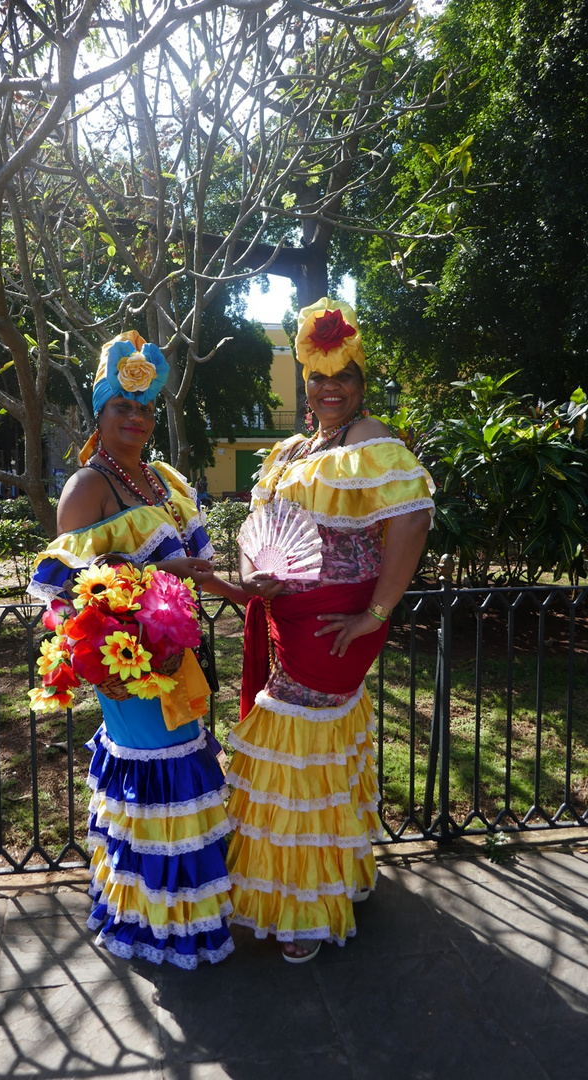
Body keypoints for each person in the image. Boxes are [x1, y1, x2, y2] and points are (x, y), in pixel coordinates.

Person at [226, 298, 434, 963]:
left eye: (343, 374)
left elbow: (413, 520)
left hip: (339, 626)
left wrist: (377, 613)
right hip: (289, 616)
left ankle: (305, 906)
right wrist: (254, 576)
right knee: (309, 752)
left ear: (361, 380)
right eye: (319, 376)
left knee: (293, 751)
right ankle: (330, 875)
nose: (331, 388)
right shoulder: (293, 448)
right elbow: (260, 533)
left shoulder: (374, 441)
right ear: (305, 381)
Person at [29, 329, 245, 969]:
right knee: (157, 778)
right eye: (123, 407)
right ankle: (155, 922)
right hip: (130, 670)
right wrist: (104, 663)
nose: (137, 418)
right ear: (100, 411)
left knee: (187, 768)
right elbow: (65, 595)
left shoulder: (165, 480)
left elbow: (199, 567)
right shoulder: (87, 487)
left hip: (180, 655)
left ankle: (188, 913)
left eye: (146, 407)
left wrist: (248, 589)